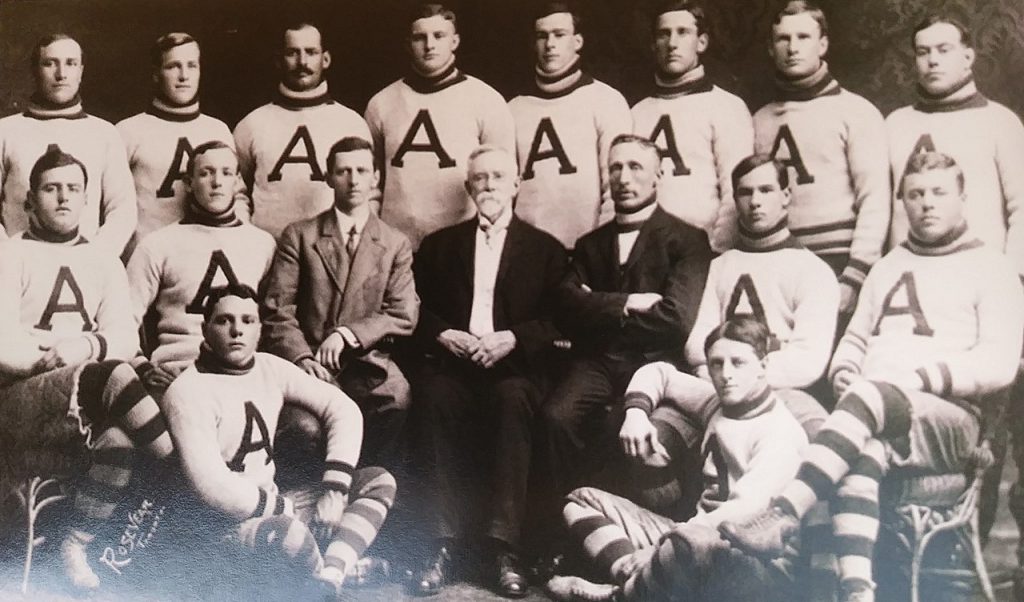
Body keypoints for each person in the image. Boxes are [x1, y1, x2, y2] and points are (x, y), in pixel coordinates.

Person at [719, 152, 1024, 602]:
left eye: (939, 192)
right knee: (857, 457)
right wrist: (844, 371)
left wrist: (918, 379)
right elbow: (856, 340)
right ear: (902, 201)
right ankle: (856, 591)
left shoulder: (991, 268)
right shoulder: (888, 265)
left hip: (952, 422)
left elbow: (999, 363)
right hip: (878, 414)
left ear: (963, 197)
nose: (927, 204)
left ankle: (784, 514)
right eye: (916, 194)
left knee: (865, 405)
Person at [0, 146, 173, 590]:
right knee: (117, 374)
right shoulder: (9, 255)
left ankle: (74, 544)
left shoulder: (102, 259)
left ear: (87, 199)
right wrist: (57, 356)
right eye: (51, 188)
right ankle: (184, 478)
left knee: (119, 440)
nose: (63, 198)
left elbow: (124, 336)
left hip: (84, 393)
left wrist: (81, 344)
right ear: (28, 201)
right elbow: (3, 343)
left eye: (73, 189)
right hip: (20, 397)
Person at [546, 317, 810, 602]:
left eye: (738, 362)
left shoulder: (779, 432)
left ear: (763, 366)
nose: (726, 374)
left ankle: (619, 595)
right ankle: (640, 584)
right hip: (690, 539)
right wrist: (635, 413)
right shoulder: (717, 403)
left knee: (691, 544)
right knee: (581, 501)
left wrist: (662, 545)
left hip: (757, 563)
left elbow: (742, 514)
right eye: (717, 363)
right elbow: (660, 372)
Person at [161, 284, 396, 596]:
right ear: (205, 330)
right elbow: (212, 487)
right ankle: (332, 573)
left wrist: (334, 491)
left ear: (259, 329)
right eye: (223, 321)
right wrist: (286, 509)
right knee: (290, 535)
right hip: (222, 525)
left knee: (378, 481)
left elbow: (342, 408)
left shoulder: (269, 367)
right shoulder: (187, 391)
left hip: (275, 504)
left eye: (247, 321)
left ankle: (330, 575)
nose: (236, 331)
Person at [408, 145, 567, 597]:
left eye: (499, 176)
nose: (490, 185)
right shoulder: (440, 247)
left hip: (512, 368)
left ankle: (504, 551)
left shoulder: (545, 249)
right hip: (455, 365)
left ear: (516, 184)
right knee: (433, 396)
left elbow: (561, 319)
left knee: (513, 399)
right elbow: (411, 307)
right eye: (480, 178)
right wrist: (443, 335)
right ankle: (439, 546)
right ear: (468, 187)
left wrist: (514, 337)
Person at [537, 134, 713, 542]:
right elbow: (563, 309)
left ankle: (619, 536)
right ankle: (560, 535)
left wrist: (593, 307)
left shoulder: (687, 240)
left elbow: (674, 321)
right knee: (554, 418)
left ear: (658, 175)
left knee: (623, 428)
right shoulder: (589, 244)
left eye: (635, 167)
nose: (623, 177)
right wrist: (628, 303)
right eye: (615, 167)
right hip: (595, 363)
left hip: (654, 365)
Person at [262, 136, 418, 473]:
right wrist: (301, 358)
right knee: (305, 427)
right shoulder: (299, 235)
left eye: (362, 170)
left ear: (376, 177)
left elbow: (403, 313)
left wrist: (348, 334)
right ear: (329, 177)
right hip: (312, 362)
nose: (353, 180)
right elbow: (278, 310)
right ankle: (313, 499)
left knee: (398, 399)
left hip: (368, 362)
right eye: (343, 171)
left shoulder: (394, 243)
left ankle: (369, 490)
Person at [753, 0, 889, 315]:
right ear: (771, 49)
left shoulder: (856, 111)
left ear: (823, 44)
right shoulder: (760, 119)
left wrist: (855, 276)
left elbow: (875, 200)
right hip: (776, 258)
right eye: (783, 39)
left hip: (838, 261)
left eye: (803, 37)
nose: (792, 48)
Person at [127, 141, 275, 392]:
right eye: (206, 173)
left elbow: (274, 320)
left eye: (226, 173)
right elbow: (123, 319)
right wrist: (141, 366)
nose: (216, 182)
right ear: (188, 182)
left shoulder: (263, 244)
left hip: (243, 373)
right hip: (177, 371)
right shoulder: (157, 244)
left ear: (238, 181)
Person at [365, 2, 516, 247]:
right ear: (408, 44)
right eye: (419, 38)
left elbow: (502, 184)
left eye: (439, 36)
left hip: (463, 247)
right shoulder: (381, 104)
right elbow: (371, 184)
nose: (429, 45)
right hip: (395, 245)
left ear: (454, 41)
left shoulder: (486, 100)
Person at [685, 153, 838, 391]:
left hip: (782, 393)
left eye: (766, 190)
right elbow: (697, 344)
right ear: (735, 200)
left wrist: (732, 376)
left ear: (785, 196)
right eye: (745, 192)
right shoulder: (719, 266)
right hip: (718, 390)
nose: (755, 201)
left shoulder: (814, 270)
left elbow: (808, 361)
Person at [886, 15, 1024, 278]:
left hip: (979, 275)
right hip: (909, 276)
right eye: (923, 52)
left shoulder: (1000, 121)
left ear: (968, 57)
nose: (933, 60)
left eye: (944, 50)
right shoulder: (895, 123)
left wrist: (1014, 276)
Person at [507, 1, 632, 250]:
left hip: (586, 249)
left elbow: (616, 183)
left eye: (559, 35)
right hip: (526, 252)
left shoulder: (606, 100)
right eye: (542, 36)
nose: (550, 45)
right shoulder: (513, 108)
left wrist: (602, 248)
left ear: (577, 41)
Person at [631, 0, 753, 252]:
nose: (672, 43)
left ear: (702, 42)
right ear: (654, 44)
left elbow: (735, 191)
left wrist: (717, 252)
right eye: (664, 34)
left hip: (702, 250)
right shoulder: (637, 112)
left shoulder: (726, 106)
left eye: (683, 32)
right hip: (645, 253)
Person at [0, 33, 136, 257]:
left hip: (84, 266)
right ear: (35, 70)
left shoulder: (104, 133)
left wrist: (95, 258)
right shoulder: (6, 131)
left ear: (81, 71)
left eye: (70, 64)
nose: (61, 74)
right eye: (49, 63)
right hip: (20, 267)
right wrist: (9, 257)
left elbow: (122, 209)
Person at [234, 22, 371, 238]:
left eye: (311, 52)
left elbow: (368, 195)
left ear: (325, 59)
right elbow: (235, 191)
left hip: (332, 254)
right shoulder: (251, 124)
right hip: (270, 252)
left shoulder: (351, 122)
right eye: (292, 53)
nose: (302, 62)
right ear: (279, 60)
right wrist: (248, 238)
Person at [117, 32, 243, 245]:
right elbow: (114, 205)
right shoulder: (128, 131)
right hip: (145, 256)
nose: (184, 75)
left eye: (192, 65)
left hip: (204, 254)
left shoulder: (217, 129)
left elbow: (238, 196)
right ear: (156, 73)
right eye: (173, 66)